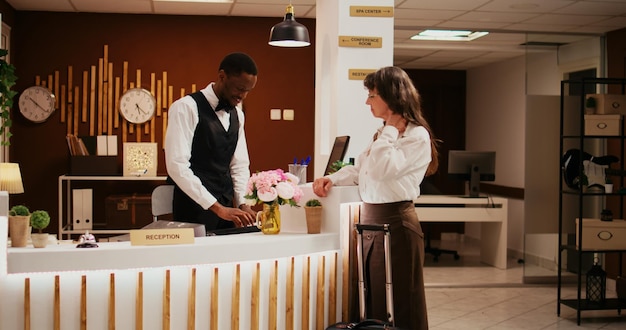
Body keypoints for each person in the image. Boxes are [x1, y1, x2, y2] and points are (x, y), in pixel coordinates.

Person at [312, 66, 438, 329]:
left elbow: (382, 171)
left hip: (397, 223)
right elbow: (363, 169)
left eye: (372, 95)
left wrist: (391, 129)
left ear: (392, 97)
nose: (367, 101)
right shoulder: (383, 134)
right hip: (372, 221)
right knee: (373, 296)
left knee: (402, 300)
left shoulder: (416, 135)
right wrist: (332, 179)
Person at [165, 52, 258, 230]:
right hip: (193, 209)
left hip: (228, 208)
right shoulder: (186, 107)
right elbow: (177, 166)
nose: (243, 96)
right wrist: (217, 207)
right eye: (239, 88)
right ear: (222, 76)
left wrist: (243, 204)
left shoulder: (237, 113)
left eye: (248, 91)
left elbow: (239, 165)